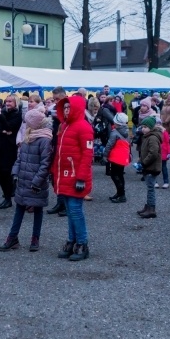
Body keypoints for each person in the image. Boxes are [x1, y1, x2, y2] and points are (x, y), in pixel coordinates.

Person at [0, 109, 53, 252]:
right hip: (23, 179)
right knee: (19, 208)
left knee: (38, 210)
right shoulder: (28, 137)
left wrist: (37, 181)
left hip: (36, 183)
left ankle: (35, 238)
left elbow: (45, 164)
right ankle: (12, 237)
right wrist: (15, 172)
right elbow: (20, 158)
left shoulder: (45, 140)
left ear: (34, 123)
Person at [53, 95, 94, 261]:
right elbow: (59, 154)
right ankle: (72, 241)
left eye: (69, 107)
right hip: (65, 176)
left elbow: (87, 154)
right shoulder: (64, 125)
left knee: (75, 211)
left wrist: (81, 178)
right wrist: (54, 173)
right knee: (70, 211)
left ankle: (82, 244)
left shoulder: (83, 127)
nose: (66, 110)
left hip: (76, 177)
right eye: (64, 108)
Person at [0, 94, 23, 209]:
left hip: (9, 147)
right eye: (6, 101)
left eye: (10, 101)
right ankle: (6, 197)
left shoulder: (17, 115)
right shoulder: (3, 113)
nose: (7, 103)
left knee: (6, 172)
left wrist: (0, 116)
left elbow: (9, 126)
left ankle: (8, 197)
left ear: (16, 103)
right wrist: (2, 131)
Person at [46, 86, 69, 217]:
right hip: (56, 144)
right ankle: (60, 202)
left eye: (57, 99)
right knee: (56, 176)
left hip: (66, 147)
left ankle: (66, 204)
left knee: (65, 178)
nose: (55, 102)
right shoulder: (55, 108)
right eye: (54, 99)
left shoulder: (69, 108)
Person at [136, 117, 163, 219]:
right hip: (148, 166)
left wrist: (144, 162)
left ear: (151, 127)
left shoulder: (152, 138)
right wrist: (140, 160)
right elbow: (145, 151)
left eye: (145, 127)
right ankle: (148, 206)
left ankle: (151, 209)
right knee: (149, 187)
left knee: (151, 188)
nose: (143, 129)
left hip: (152, 167)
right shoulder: (147, 136)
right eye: (142, 127)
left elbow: (153, 153)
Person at [104, 112, 130, 203]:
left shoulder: (114, 132)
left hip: (116, 157)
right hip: (123, 157)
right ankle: (120, 193)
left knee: (114, 175)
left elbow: (109, 145)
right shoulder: (126, 131)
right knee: (120, 175)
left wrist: (105, 155)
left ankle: (121, 194)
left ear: (116, 122)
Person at [158, 119, 170, 189]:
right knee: (155, 168)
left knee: (164, 168)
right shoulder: (152, 132)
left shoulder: (164, 132)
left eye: (159, 124)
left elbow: (168, 142)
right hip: (156, 152)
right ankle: (155, 181)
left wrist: (169, 152)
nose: (157, 125)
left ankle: (166, 182)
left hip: (163, 152)